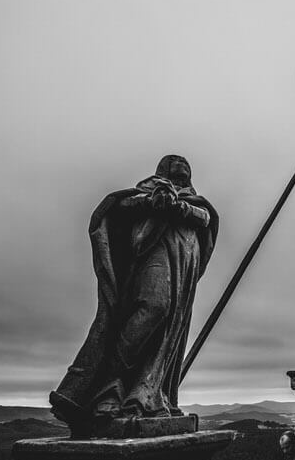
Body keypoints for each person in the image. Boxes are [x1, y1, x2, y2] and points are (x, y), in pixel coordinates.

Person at [50, 155, 219, 434]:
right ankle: (110, 385)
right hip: (155, 253)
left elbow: (205, 218)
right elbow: (121, 207)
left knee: (168, 328)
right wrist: (152, 201)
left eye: (185, 173)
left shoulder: (195, 202)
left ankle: (146, 392)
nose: (181, 177)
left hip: (185, 262)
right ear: (162, 171)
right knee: (154, 307)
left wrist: (179, 207)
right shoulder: (146, 191)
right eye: (175, 172)